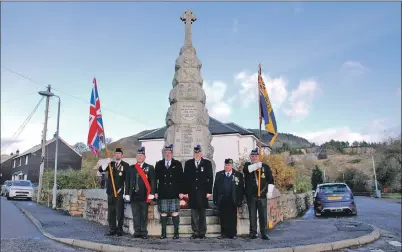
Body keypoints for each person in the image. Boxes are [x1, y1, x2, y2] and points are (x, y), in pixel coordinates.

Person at [124, 147, 156, 239]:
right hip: (134, 195)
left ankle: (143, 232)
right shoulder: (131, 168)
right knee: (135, 215)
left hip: (145, 195)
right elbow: (127, 182)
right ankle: (137, 231)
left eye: (141, 156)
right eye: (138, 156)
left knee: (144, 215)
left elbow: (153, 181)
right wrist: (126, 194)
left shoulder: (149, 167)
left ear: (144, 157)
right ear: (136, 157)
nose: (139, 157)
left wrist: (152, 193)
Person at [183, 144, 213, 239]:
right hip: (192, 193)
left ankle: (202, 233)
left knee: (202, 214)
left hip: (203, 193)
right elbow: (186, 179)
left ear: (201, 153)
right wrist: (186, 192)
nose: (197, 154)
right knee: (194, 214)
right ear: (193, 154)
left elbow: (210, 178)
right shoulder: (188, 163)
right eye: (195, 153)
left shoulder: (207, 163)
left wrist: (209, 191)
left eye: (198, 152)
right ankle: (195, 232)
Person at [243, 147, 274, 240]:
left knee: (263, 215)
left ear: (258, 156)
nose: (254, 158)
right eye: (252, 156)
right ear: (250, 157)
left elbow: (271, 180)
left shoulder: (265, 167)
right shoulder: (247, 165)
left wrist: (270, 192)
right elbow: (247, 170)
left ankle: (264, 233)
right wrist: (256, 166)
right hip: (251, 196)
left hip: (262, 195)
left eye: (256, 156)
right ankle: (253, 233)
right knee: (252, 215)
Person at [154, 144, 184, 239]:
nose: (167, 154)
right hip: (162, 192)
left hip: (174, 192)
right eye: (165, 152)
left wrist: (181, 191)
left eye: (169, 152)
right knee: (163, 213)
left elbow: (181, 179)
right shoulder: (159, 164)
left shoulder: (177, 164)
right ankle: (163, 233)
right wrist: (155, 192)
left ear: (172, 153)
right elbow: (155, 180)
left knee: (175, 212)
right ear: (163, 153)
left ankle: (176, 233)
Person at [97, 148, 128, 236]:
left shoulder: (126, 165)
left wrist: (124, 190)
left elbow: (127, 179)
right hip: (110, 191)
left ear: (122, 155)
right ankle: (112, 229)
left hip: (120, 192)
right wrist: (106, 162)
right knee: (111, 212)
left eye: (119, 153)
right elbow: (100, 170)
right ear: (114, 155)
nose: (117, 155)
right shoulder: (111, 164)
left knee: (119, 212)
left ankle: (119, 230)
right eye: (116, 153)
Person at [213, 158, 244, 239]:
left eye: (229, 165)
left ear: (232, 165)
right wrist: (215, 199)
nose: (227, 167)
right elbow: (215, 188)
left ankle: (233, 234)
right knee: (223, 217)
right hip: (222, 199)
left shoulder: (238, 175)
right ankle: (223, 233)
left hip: (233, 199)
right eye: (226, 165)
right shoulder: (219, 174)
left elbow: (241, 189)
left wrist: (240, 200)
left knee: (232, 217)